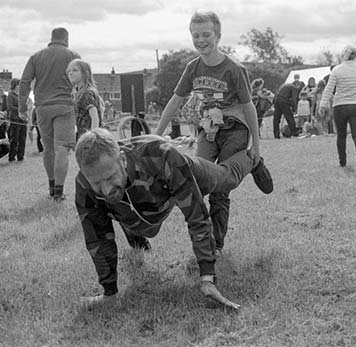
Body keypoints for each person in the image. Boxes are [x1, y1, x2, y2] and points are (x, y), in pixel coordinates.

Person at [75, 128, 272, 309]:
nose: (106, 188)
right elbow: (98, 238)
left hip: (181, 171)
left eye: (110, 178)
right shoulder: (85, 185)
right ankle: (135, 234)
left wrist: (207, 276)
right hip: (147, 200)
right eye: (97, 183)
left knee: (225, 178)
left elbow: (197, 217)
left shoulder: (162, 155)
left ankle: (252, 159)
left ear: (123, 160)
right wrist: (109, 292)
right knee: (123, 208)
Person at [154, 10, 272, 252]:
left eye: (206, 34)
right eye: (195, 35)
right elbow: (175, 101)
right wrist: (155, 135)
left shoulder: (234, 69)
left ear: (218, 36)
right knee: (195, 178)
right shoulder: (192, 68)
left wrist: (257, 145)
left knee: (220, 187)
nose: (201, 40)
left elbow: (249, 107)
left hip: (235, 130)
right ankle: (203, 234)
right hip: (208, 130)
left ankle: (215, 244)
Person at [19, 27, 81, 200]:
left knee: (49, 149)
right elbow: (82, 79)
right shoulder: (73, 55)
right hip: (64, 106)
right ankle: (59, 192)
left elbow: (24, 82)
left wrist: (22, 107)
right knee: (62, 148)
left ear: (51, 38)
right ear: (66, 39)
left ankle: (52, 187)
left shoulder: (36, 56)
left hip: (43, 107)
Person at [319, 46, 356, 170]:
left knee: (341, 135)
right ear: (355, 55)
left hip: (340, 105)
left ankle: (342, 161)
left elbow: (329, 88)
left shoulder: (336, 70)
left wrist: (323, 104)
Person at [66, 59, 103, 140]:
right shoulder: (79, 92)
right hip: (83, 136)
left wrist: (93, 137)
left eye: (75, 70)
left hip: (89, 139)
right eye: (69, 71)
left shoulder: (86, 93)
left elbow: (95, 117)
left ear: (85, 74)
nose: (70, 73)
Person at [7, 78, 26, 162]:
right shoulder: (10, 95)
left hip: (22, 119)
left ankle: (20, 156)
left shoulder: (21, 95)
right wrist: (19, 108)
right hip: (15, 119)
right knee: (15, 139)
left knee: (22, 138)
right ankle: (12, 157)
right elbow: (10, 107)